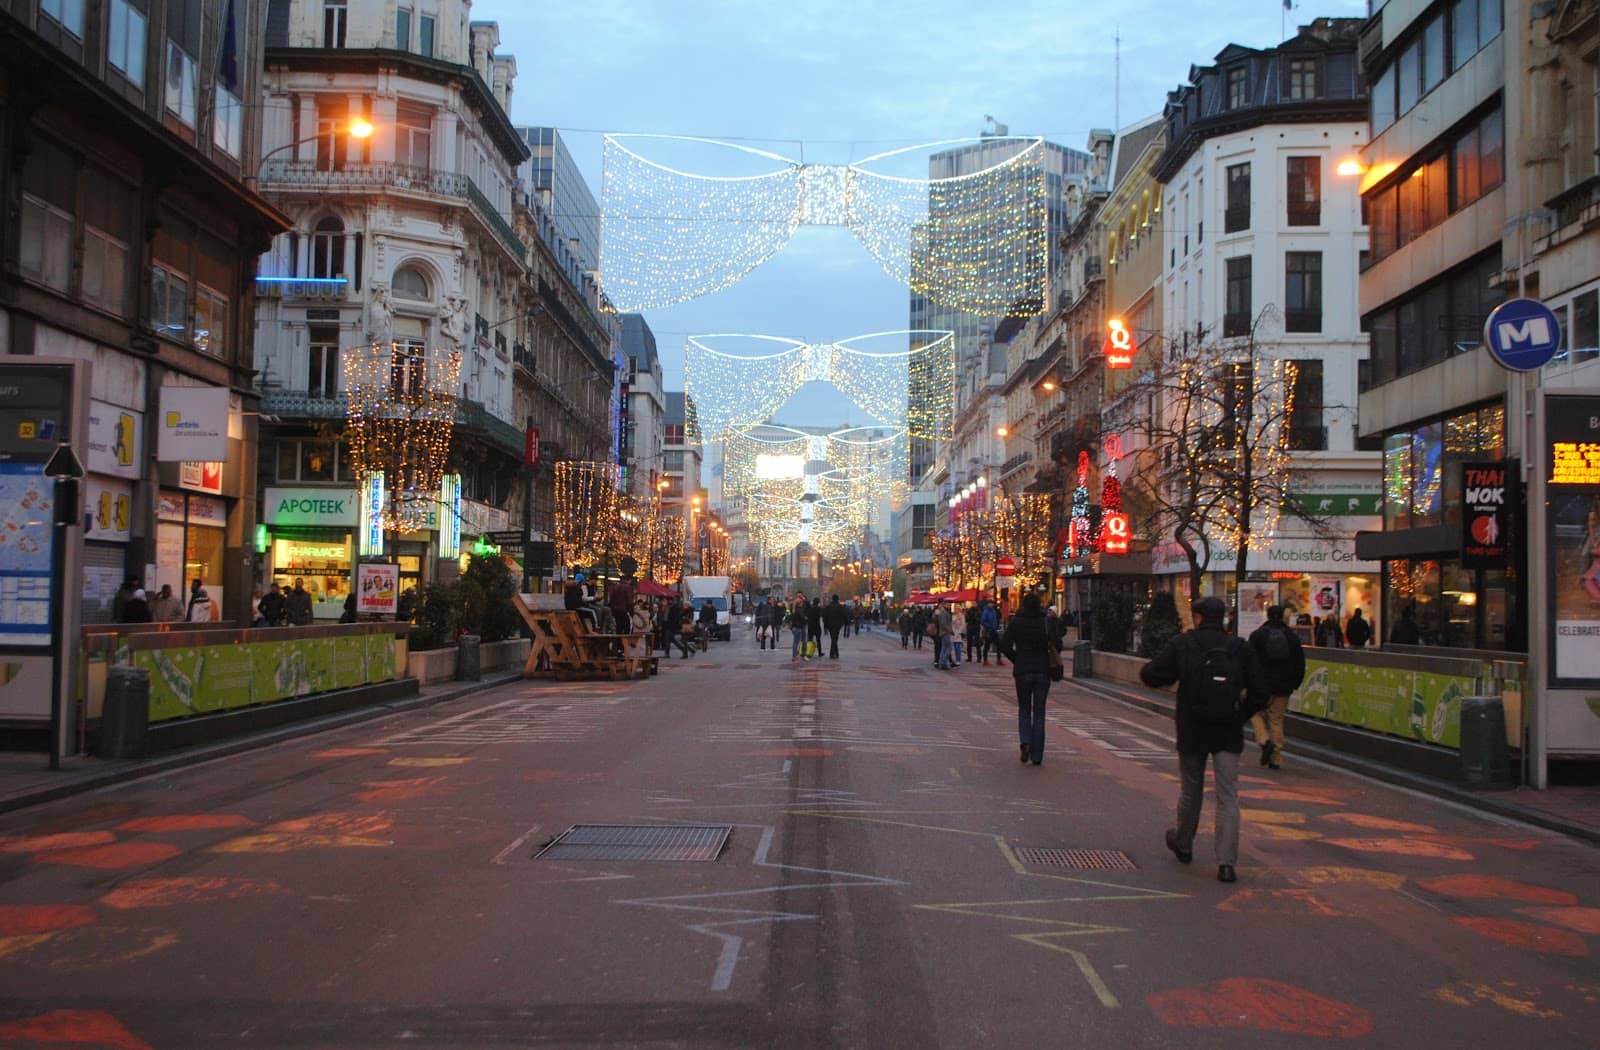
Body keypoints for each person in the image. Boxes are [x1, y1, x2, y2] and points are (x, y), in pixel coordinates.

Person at [1140, 596, 1269, 884]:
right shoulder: (1239, 648)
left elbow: (1150, 675)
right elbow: (1261, 691)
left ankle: (1184, 843)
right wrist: (1239, 714)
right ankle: (1226, 863)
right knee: (1227, 795)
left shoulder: (1184, 644)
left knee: (1191, 790)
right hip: (1227, 730)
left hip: (1192, 727)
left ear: (1198, 617)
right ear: (1223, 617)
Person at [1247, 605, 1306, 771]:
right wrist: (1295, 683)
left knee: (1255, 713)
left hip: (1261, 685)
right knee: (1276, 719)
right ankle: (1276, 758)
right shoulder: (1291, 637)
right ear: (1283, 616)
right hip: (1283, 686)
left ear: (1267, 615)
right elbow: (1299, 663)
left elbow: (1249, 660)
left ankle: (1264, 740)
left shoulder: (1258, 635)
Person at [999, 592, 1054, 766]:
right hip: (1042, 670)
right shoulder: (1045, 622)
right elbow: (1057, 644)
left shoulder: (1016, 622)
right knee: (1039, 712)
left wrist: (1017, 659)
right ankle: (1037, 755)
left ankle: (1025, 741)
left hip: (1023, 669)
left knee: (1024, 709)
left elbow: (1005, 645)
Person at [980, 599, 1005, 666]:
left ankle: (999, 659)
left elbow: (995, 620)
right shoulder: (986, 611)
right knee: (987, 646)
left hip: (994, 630)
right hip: (988, 631)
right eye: (990, 603)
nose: (991, 604)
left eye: (992, 603)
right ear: (987, 604)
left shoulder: (993, 611)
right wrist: (989, 626)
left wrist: (996, 626)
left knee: (999, 644)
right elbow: (983, 621)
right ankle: (985, 661)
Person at [823, 595, 848, 659]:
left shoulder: (828, 607)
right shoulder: (840, 606)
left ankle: (836, 653)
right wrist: (847, 622)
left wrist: (825, 626)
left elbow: (825, 617)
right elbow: (844, 614)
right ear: (837, 599)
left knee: (833, 638)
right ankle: (832, 653)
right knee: (835, 639)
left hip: (830, 625)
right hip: (837, 625)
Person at [933, 600, 955, 670]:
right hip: (944, 632)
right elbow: (943, 623)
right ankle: (943, 662)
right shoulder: (942, 612)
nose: (949, 605)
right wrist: (949, 630)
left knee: (944, 647)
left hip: (942, 632)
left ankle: (942, 662)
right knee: (948, 647)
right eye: (948, 604)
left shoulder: (945, 612)